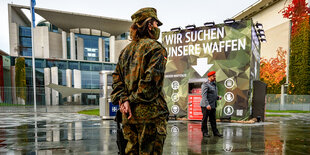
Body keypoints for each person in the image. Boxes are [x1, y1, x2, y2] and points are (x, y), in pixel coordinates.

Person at [111, 7, 169, 155]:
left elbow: (116, 79)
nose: (157, 28)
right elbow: (150, 84)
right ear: (149, 25)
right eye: (156, 24)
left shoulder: (126, 51)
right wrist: (129, 99)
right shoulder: (156, 49)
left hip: (129, 117)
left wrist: (124, 100)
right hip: (150, 117)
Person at [200, 71, 223, 137]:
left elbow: (212, 94)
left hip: (212, 105)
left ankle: (215, 132)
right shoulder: (205, 84)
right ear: (209, 77)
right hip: (206, 106)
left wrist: (218, 97)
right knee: (205, 119)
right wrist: (207, 105)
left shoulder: (214, 84)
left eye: (215, 76)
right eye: (213, 76)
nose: (215, 77)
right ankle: (205, 132)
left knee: (213, 120)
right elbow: (204, 96)